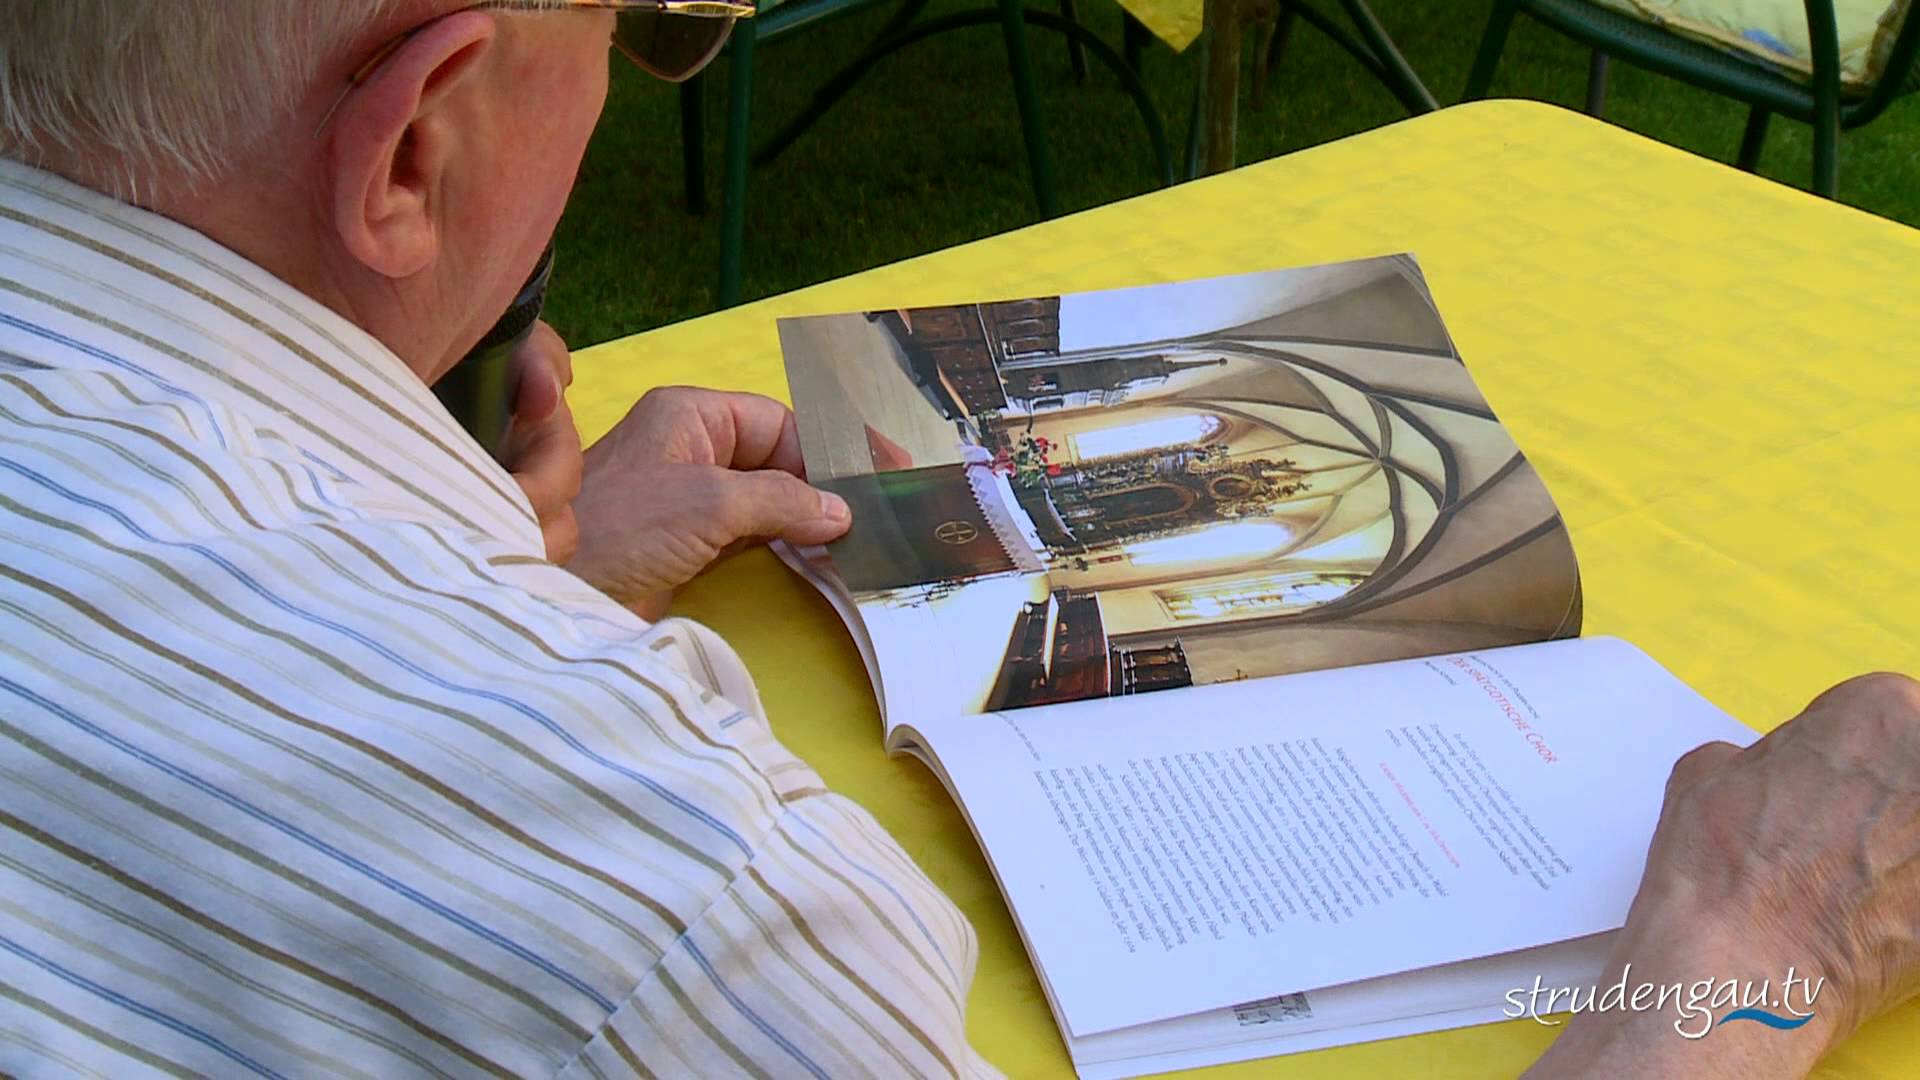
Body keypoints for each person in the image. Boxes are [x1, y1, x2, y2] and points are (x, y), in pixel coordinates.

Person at [0, 3, 1913, 1077]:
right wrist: (1754, 940)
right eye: (653, 25)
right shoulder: (666, 901)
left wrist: (496, 584)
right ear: (416, 144)